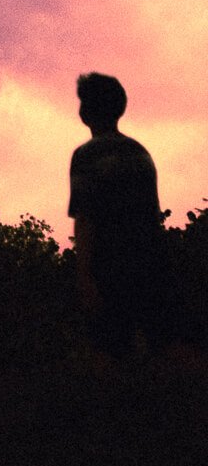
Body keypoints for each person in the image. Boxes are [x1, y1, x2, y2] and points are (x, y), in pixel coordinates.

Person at [69, 73, 200, 367]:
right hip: (150, 261)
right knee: (168, 344)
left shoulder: (86, 156)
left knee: (107, 353)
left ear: (85, 112)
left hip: (109, 267)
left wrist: (84, 274)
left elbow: (86, 218)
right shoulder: (140, 153)